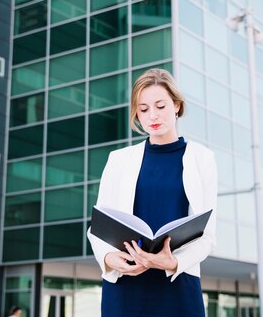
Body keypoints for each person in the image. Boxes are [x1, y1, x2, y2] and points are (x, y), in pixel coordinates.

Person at [87, 68, 218, 317]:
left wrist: (173, 262)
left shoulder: (202, 159)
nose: (152, 115)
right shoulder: (118, 159)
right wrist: (108, 259)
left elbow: (207, 235)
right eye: (143, 109)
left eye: (160, 106)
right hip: (125, 286)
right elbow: (98, 226)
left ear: (177, 106)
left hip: (177, 283)